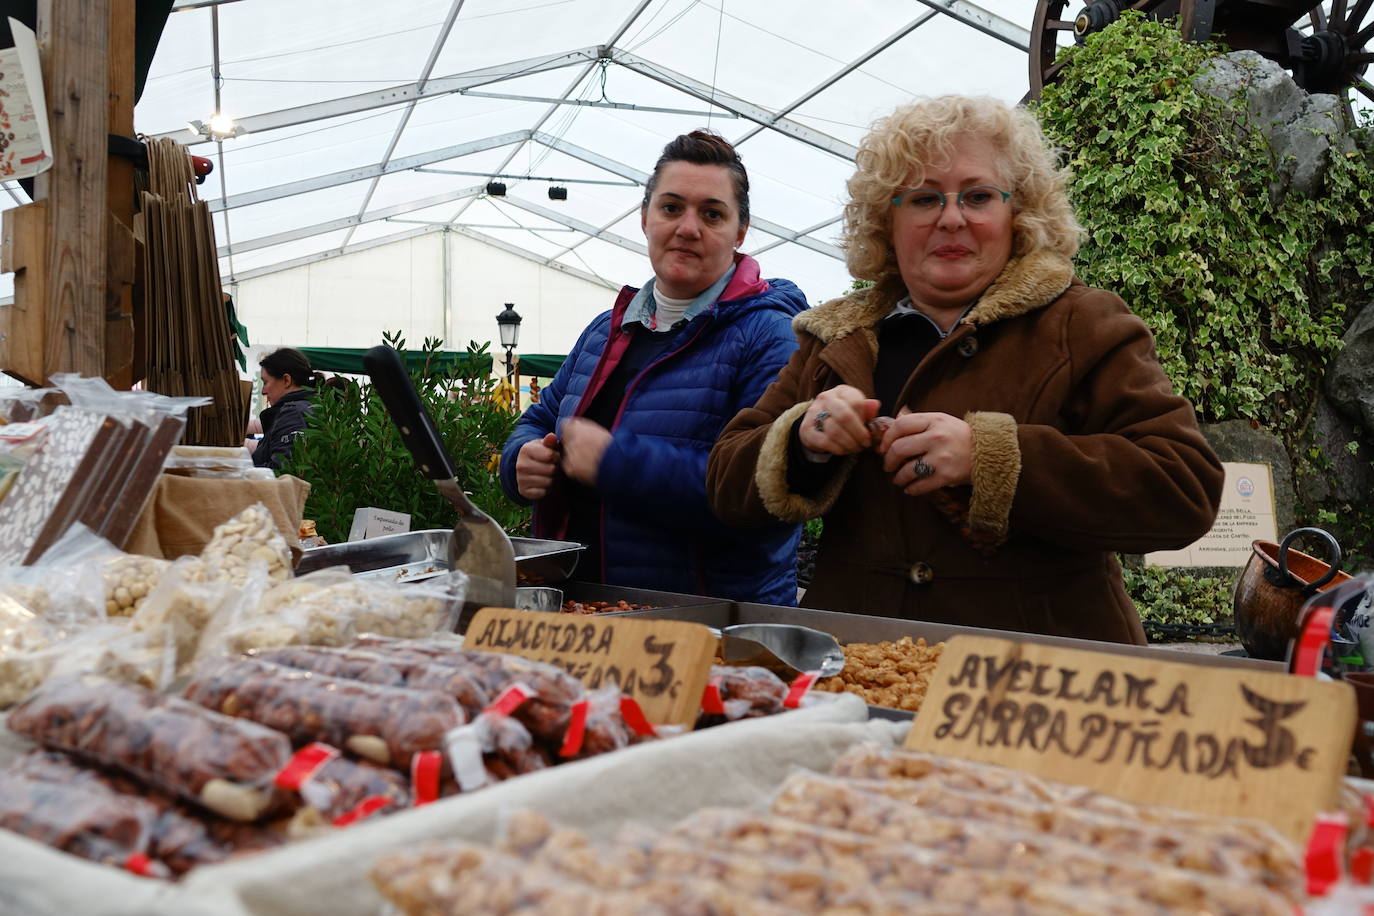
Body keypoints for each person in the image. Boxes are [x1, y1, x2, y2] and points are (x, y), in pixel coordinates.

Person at [706, 96, 1223, 644]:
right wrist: (803, 440)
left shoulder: (1084, 322)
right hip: (866, 668)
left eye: (977, 196)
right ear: (888, 220)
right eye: (924, 198)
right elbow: (725, 481)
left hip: (1035, 682)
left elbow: (1182, 488)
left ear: (1017, 212)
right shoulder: (837, 338)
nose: (952, 218)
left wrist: (991, 456)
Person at [499, 130, 809, 604]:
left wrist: (617, 463)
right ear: (645, 218)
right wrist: (519, 460)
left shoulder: (768, 337)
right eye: (671, 208)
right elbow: (540, 419)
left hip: (704, 625)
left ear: (739, 232)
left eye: (711, 213)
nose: (688, 227)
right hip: (586, 607)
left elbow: (762, 490)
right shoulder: (606, 330)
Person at [252, 347, 323, 470]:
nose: (263, 391)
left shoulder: (293, 413)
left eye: (265, 382)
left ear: (286, 380)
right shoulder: (311, 407)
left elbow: (282, 470)